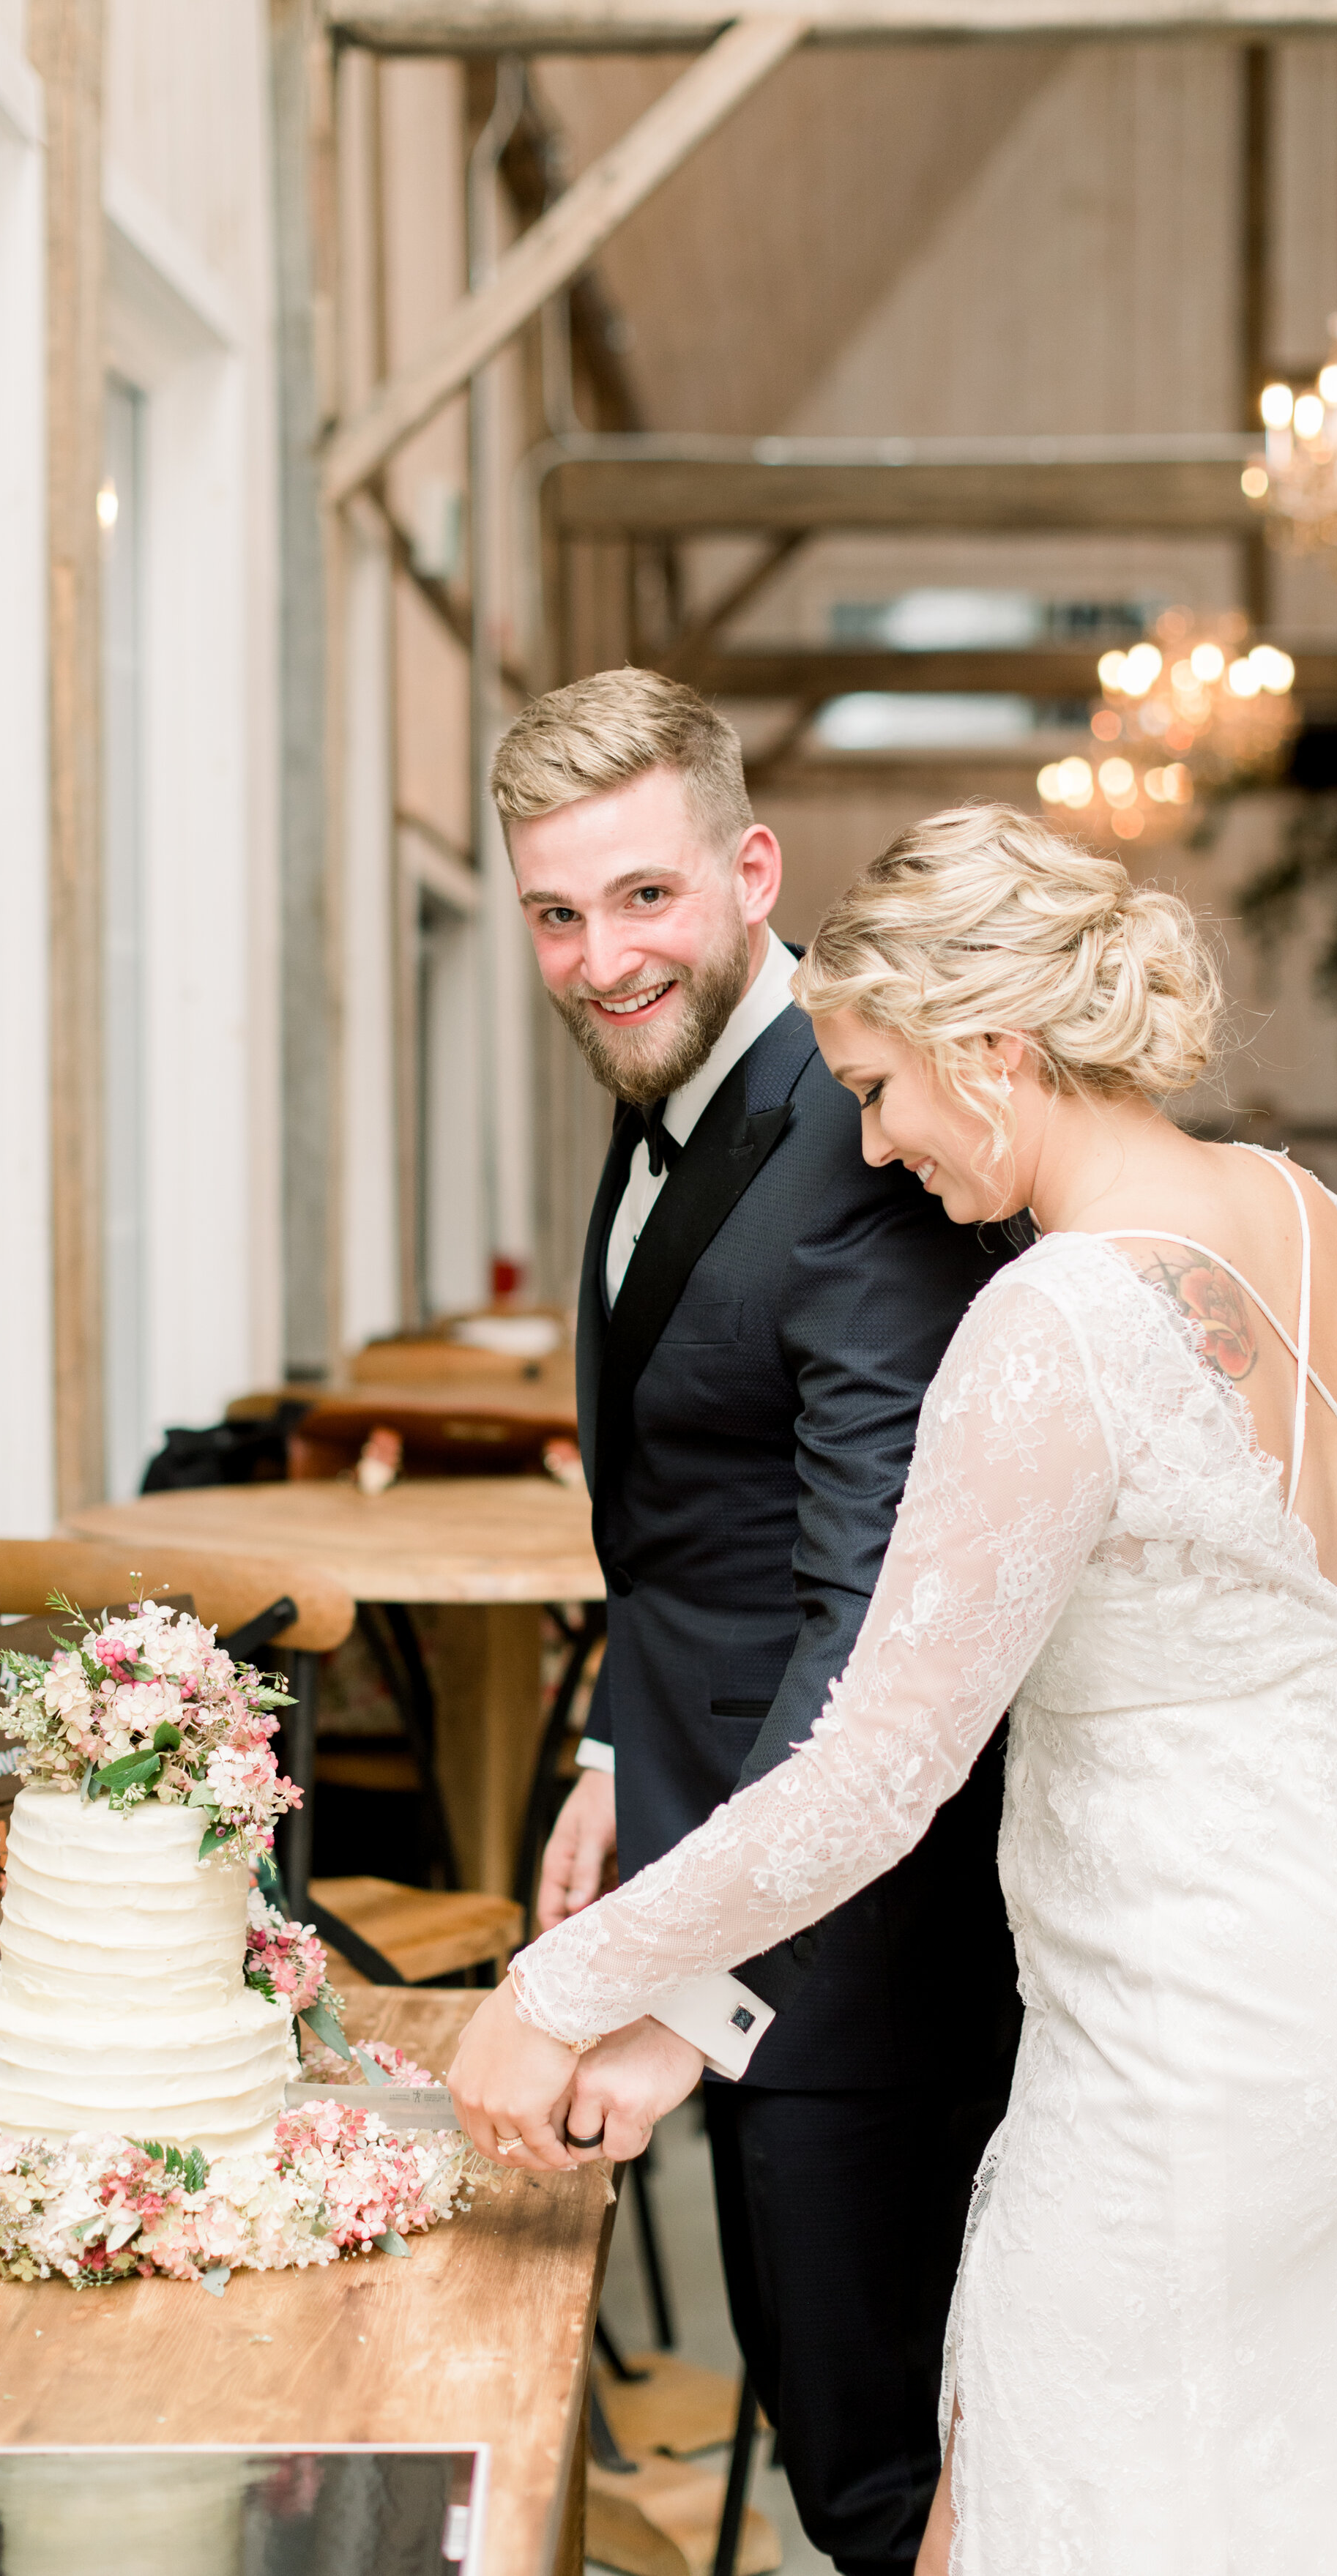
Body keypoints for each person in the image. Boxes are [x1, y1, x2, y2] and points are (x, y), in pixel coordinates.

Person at [450, 803, 1337, 2571]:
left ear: (992, 1053)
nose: (876, 1149)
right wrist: (689, 2017)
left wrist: (567, 1982)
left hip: (1200, 2035)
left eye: (881, 1090)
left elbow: (875, 1771)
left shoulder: (1053, 1323)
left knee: (1041, 2498)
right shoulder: (1310, 1216)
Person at [485, 671, 1024, 2575]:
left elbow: (867, 1622)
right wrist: (619, 1744)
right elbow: (684, 1510)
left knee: (879, 2476)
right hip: (706, 1822)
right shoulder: (684, 1081)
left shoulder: (859, 1138)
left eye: (642, 898)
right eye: (555, 911)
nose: (597, 958)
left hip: (847, 1955)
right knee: (837, 2440)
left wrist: (684, 1970)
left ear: (748, 865)